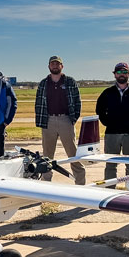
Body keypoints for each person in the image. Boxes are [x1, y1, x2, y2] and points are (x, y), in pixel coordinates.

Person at [34, 55, 85, 184]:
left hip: (65, 120)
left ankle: (80, 184)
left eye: (57, 64)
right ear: (49, 67)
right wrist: (42, 121)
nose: (55, 66)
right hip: (49, 121)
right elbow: (38, 103)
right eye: (52, 64)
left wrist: (72, 119)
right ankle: (46, 184)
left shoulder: (69, 81)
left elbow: (77, 101)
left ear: (62, 66)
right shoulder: (43, 83)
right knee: (47, 156)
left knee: (73, 154)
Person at [95, 62, 129, 180]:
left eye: (124, 72)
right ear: (115, 74)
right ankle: (109, 190)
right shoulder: (108, 92)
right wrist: (108, 123)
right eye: (119, 72)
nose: (122, 74)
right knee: (110, 165)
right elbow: (99, 110)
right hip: (112, 134)